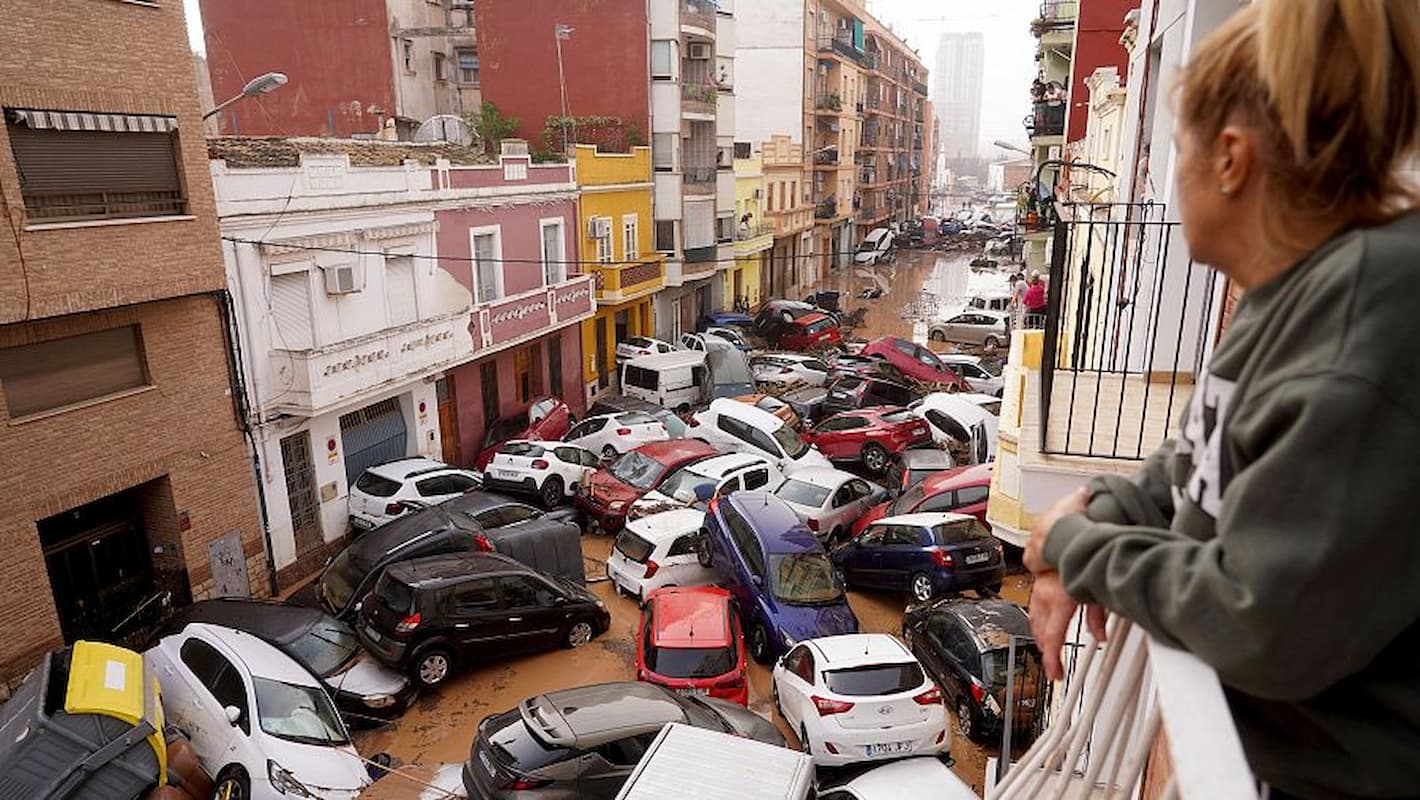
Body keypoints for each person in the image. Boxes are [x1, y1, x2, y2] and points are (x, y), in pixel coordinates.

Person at [1022, 2, 1420, 798]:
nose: (1175, 175)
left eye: (1178, 150)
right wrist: (1103, 506)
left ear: (1231, 159)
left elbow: (1258, 619)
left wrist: (1076, 549)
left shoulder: (1362, 326)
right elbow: (1194, 456)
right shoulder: (1292, 292)